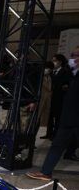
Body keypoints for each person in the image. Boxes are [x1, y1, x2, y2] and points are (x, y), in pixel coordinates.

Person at [27, 48, 79, 180]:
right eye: (73, 55)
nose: (73, 58)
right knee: (56, 145)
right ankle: (46, 172)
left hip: (75, 120)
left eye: (76, 55)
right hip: (68, 120)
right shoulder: (73, 74)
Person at [42, 54, 73, 139]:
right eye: (52, 60)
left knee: (57, 117)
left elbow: (68, 83)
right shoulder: (51, 72)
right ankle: (48, 133)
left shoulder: (65, 71)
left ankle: (55, 135)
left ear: (60, 62)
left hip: (59, 98)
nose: (53, 62)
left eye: (55, 60)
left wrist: (66, 86)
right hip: (50, 98)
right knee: (50, 116)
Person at [37, 61, 54, 133]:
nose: (48, 71)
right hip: (39, 101)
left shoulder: (49, 77)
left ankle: (32, 138)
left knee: (39, 122)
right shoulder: (38, 76)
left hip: (46, 101)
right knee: (34, 120)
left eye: (50, 70)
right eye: (47, 69)